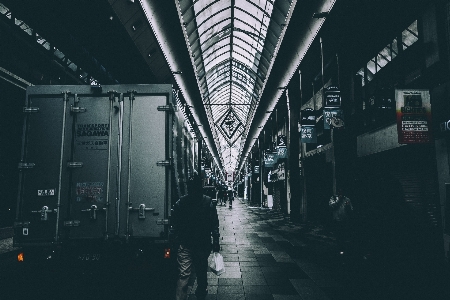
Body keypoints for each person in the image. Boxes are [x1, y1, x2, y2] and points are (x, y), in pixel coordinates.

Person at [171, 173, 220, 300]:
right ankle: (201, 294)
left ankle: (181, 297)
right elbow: (214, 224)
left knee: (184, 275)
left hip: (185, 244)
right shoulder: (208, 202)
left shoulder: (180, 203)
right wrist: (215, 242)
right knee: (201, 273)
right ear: (201, 186)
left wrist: (172, 241)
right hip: (202, 245)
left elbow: (174, 224)